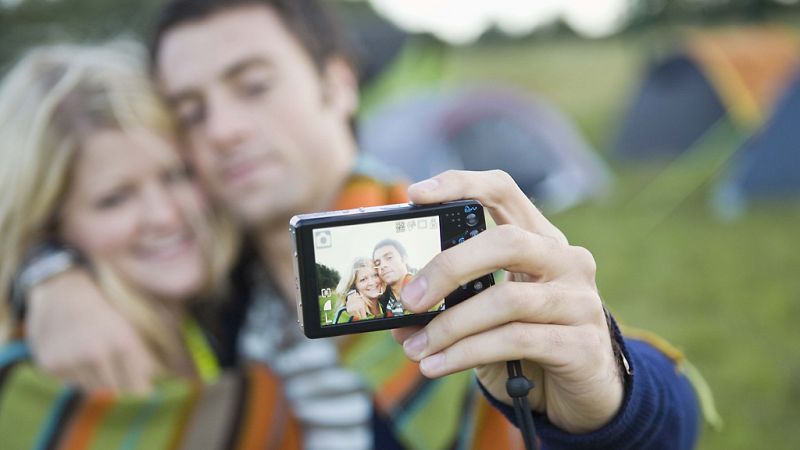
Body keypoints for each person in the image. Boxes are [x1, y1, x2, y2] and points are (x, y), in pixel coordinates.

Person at [17, 0, 703, 449]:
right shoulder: (207, 275)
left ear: (338, 84)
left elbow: (662, 420)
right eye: (191, 111)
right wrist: (44, 271)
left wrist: (610, 393)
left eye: (253, 85)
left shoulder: (439, 242)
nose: (222, 130)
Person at [0, 41, 300, 449]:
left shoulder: (233, 301)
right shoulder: (39, 384)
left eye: (176, 174)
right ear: (51, 224)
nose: (165, 215)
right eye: (115, 199)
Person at [336, 257, 385, 323]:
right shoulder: (347, 313)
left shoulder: (387, 303)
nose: (371, 282)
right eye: (363, 279)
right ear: (354, 286)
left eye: (375, 275)